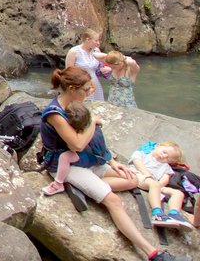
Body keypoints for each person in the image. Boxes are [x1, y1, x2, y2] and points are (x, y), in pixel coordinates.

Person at [40, 66, 183, 261]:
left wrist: (113, 161)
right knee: (114, 201)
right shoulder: (54, 113)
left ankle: (90, 188)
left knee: (132, 179)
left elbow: (92, 140)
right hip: (68, 165)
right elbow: (78, 144)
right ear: (72, 88)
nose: (90, 92)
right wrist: (93, 122)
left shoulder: (75, 104)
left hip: (89, 162)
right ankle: (154, 254)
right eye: (86, 89)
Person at [129, 141, 191, 229]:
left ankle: (174, 214)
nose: (164, 156)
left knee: (178, 193)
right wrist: (147, 174)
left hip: (155, 185)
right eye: (164, 152)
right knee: (154, 185)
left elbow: (165, 179)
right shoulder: (143, 154)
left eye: (168, 158)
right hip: (138, 176)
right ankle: (157, 214)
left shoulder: (166, 167)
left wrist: (159, 185)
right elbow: (137, 162)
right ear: (158, 146)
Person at [42, 101, 92, 196]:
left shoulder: (83, 127)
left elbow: (74, 148)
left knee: (65, 157)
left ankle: (58, 183)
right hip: (88, 155)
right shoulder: (87, 123)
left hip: (85, 156)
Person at [65, 29, 109, 102]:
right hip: (81, 84)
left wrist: (103, 70)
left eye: (99, 40)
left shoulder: (96, 51)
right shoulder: (74, 52)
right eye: (96, 40)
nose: (98, 43)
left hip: (95, 84)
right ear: (88, 39)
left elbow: (100, 67)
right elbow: (68, 72)